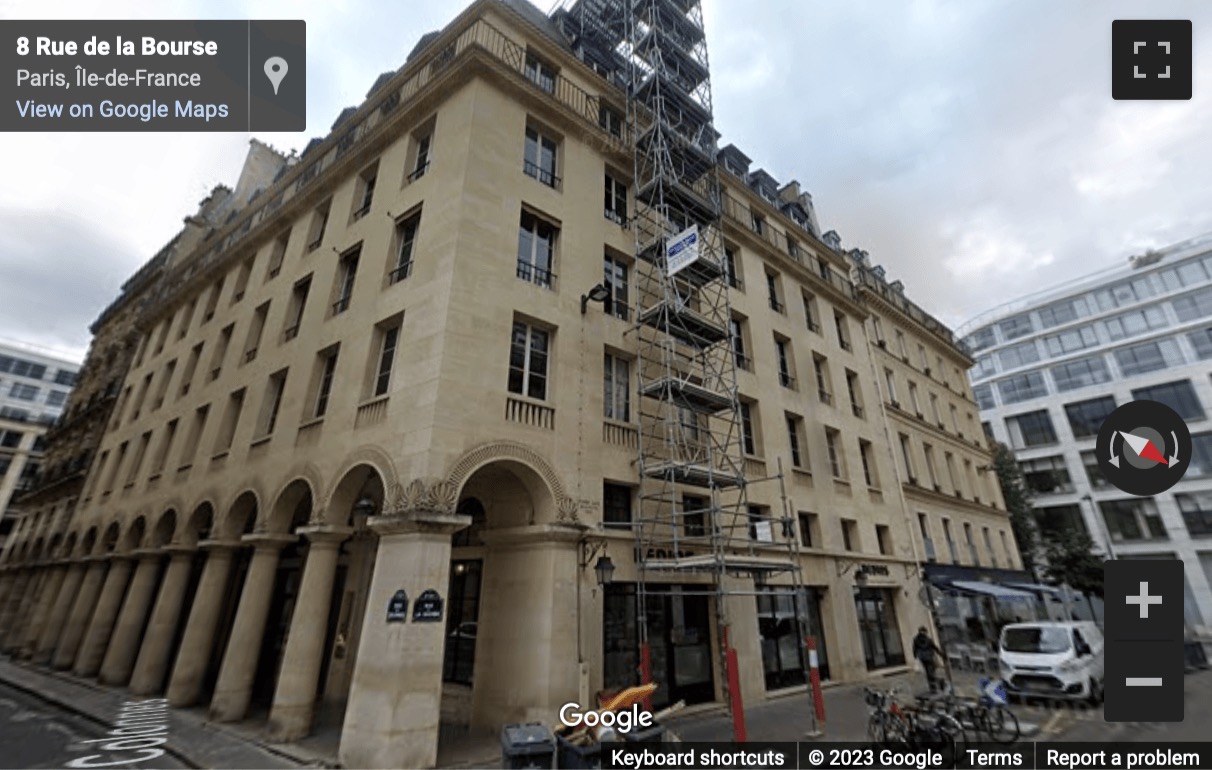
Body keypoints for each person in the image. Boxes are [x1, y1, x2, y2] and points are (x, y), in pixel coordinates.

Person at [912, 626, 944, 692]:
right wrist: (941, 654)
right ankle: (939, 682)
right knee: (931, 673)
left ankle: (933, 688)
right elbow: (935, 647)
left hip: (923, 658)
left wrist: (915, 657)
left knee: (929, 674)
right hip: (929, 658)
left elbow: (914, 649)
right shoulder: (928, 639)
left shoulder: (916, 639)